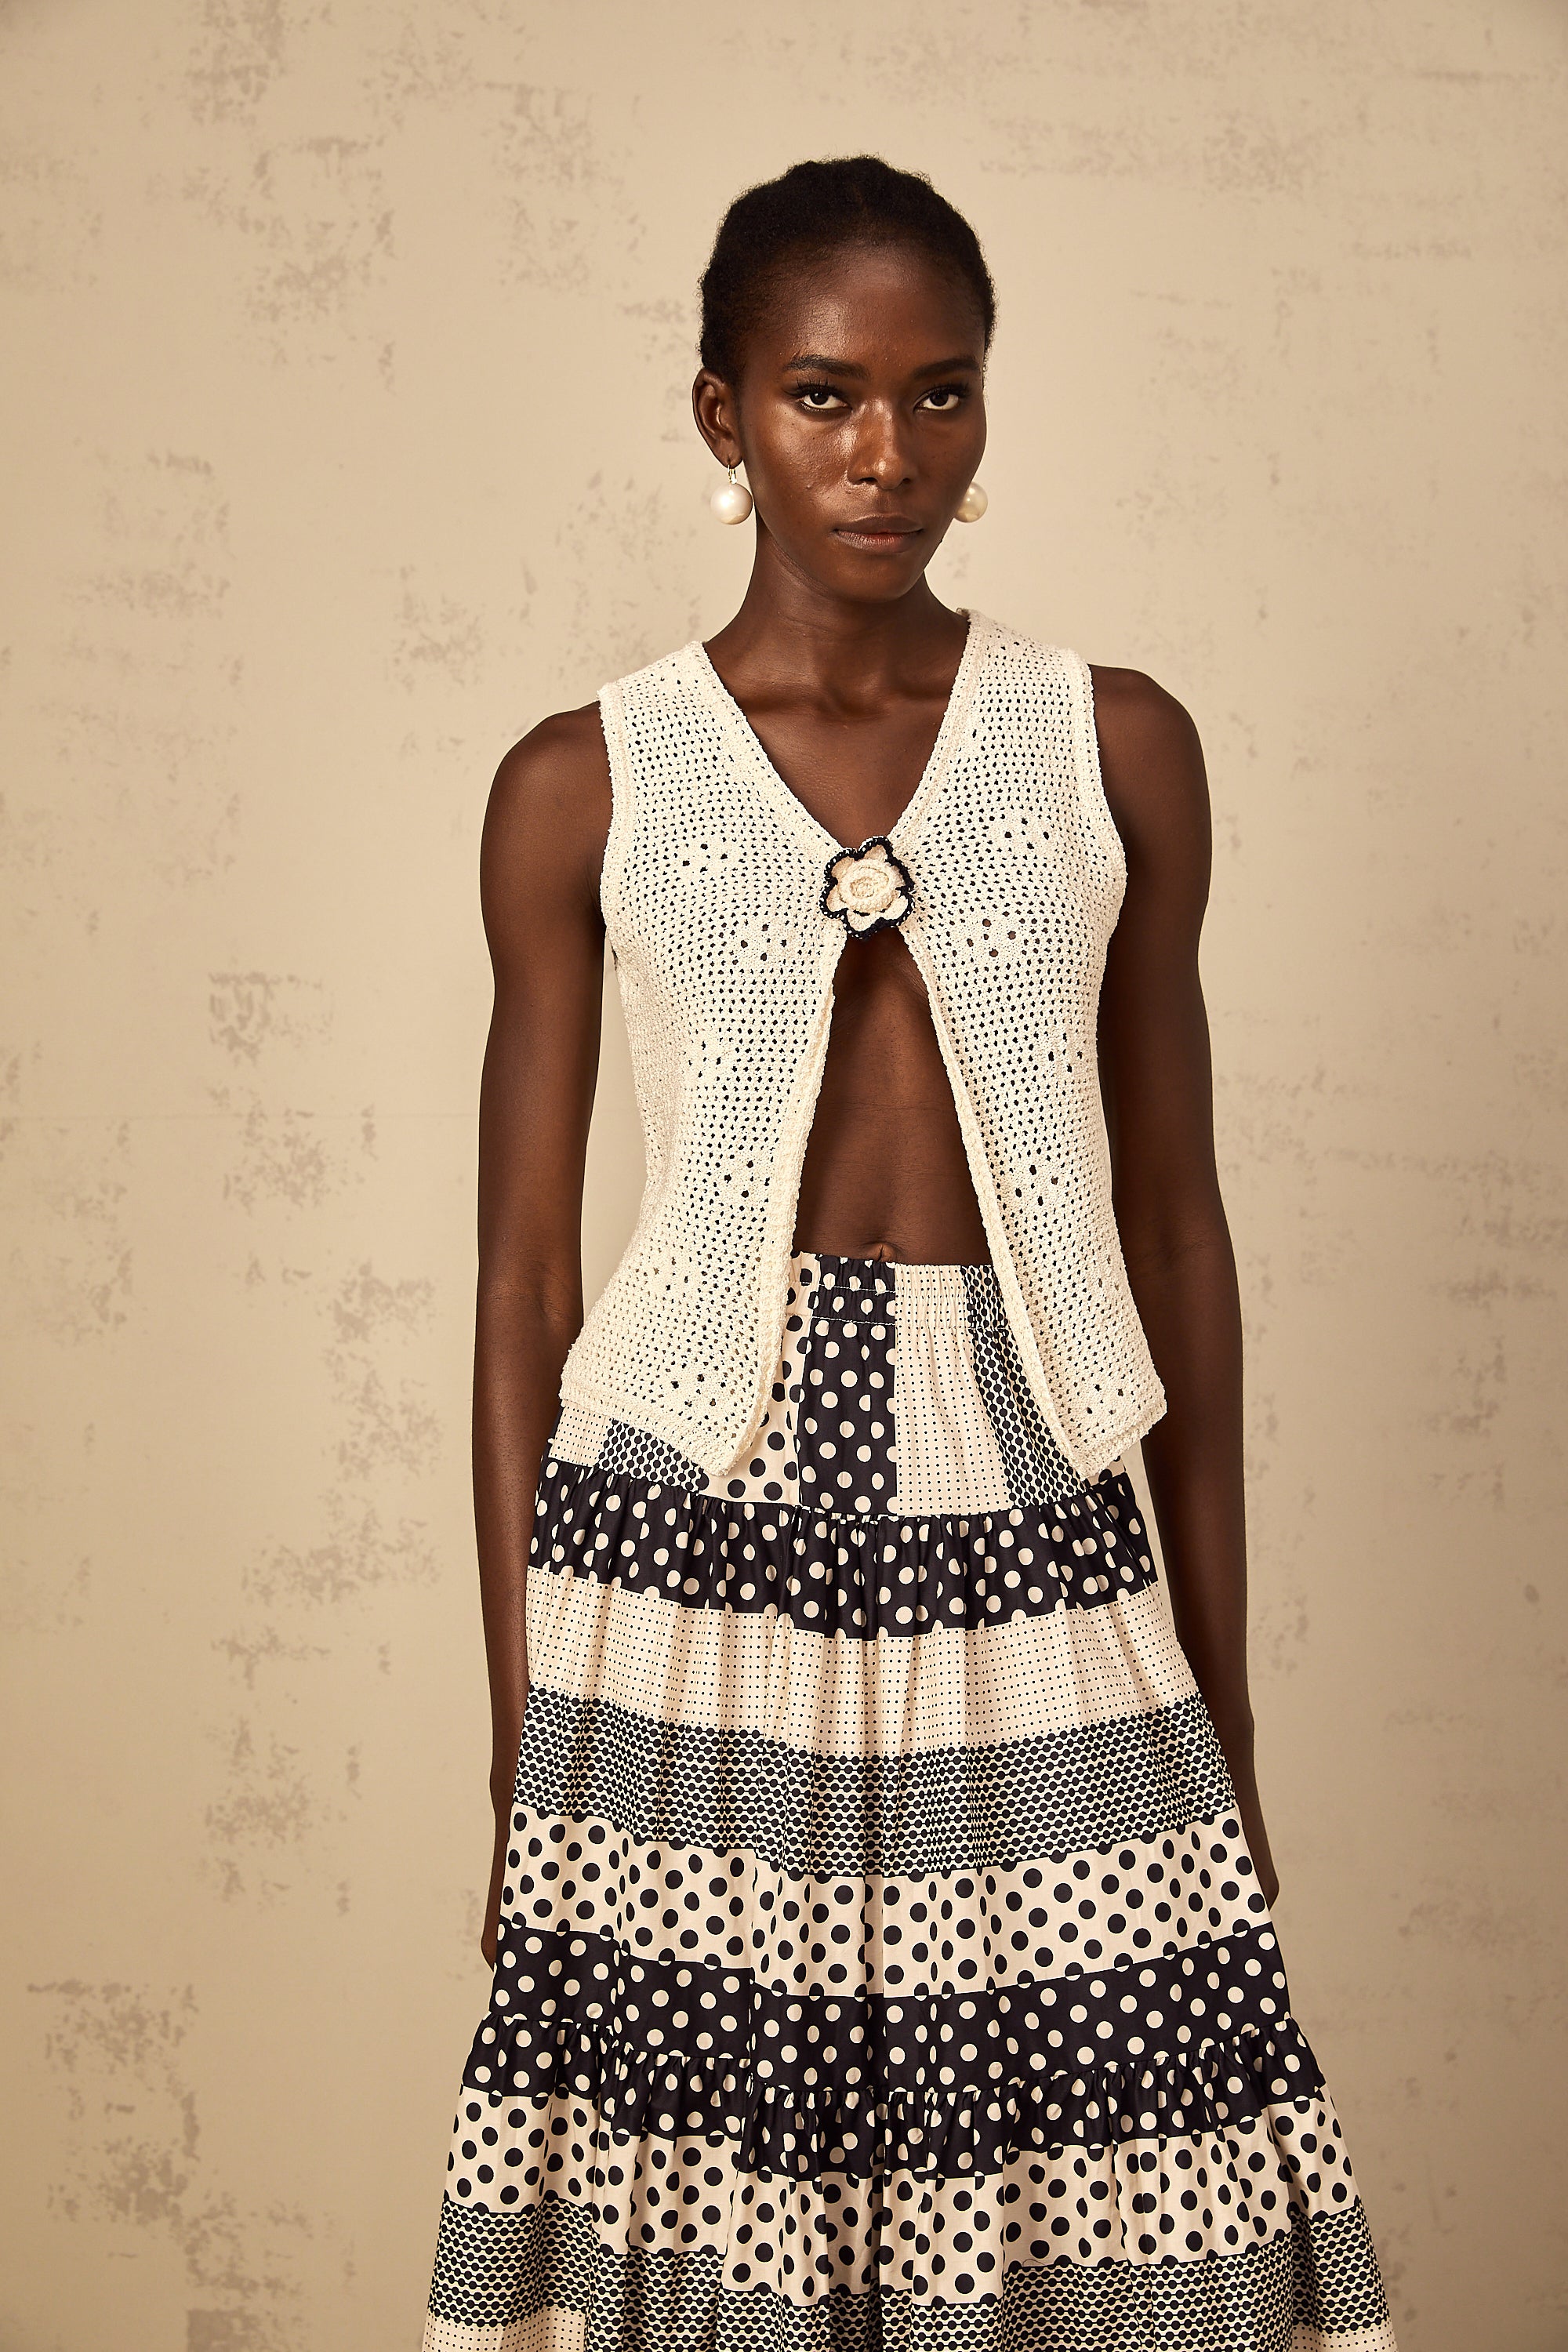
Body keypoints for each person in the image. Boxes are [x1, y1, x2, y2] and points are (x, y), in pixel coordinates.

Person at [419, 156, 1395, 2352]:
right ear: (723, 414)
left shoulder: (1112, 745)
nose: (887, 454)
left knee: (1097, 2160)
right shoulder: (584, 780)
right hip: (685, 1529)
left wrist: (1226, 1700)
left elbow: (1176, 1223)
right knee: (728, 2163)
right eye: (825, 396)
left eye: (940, 394)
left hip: (1030, 1479)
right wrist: (517, 1755)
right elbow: (520, 1297)